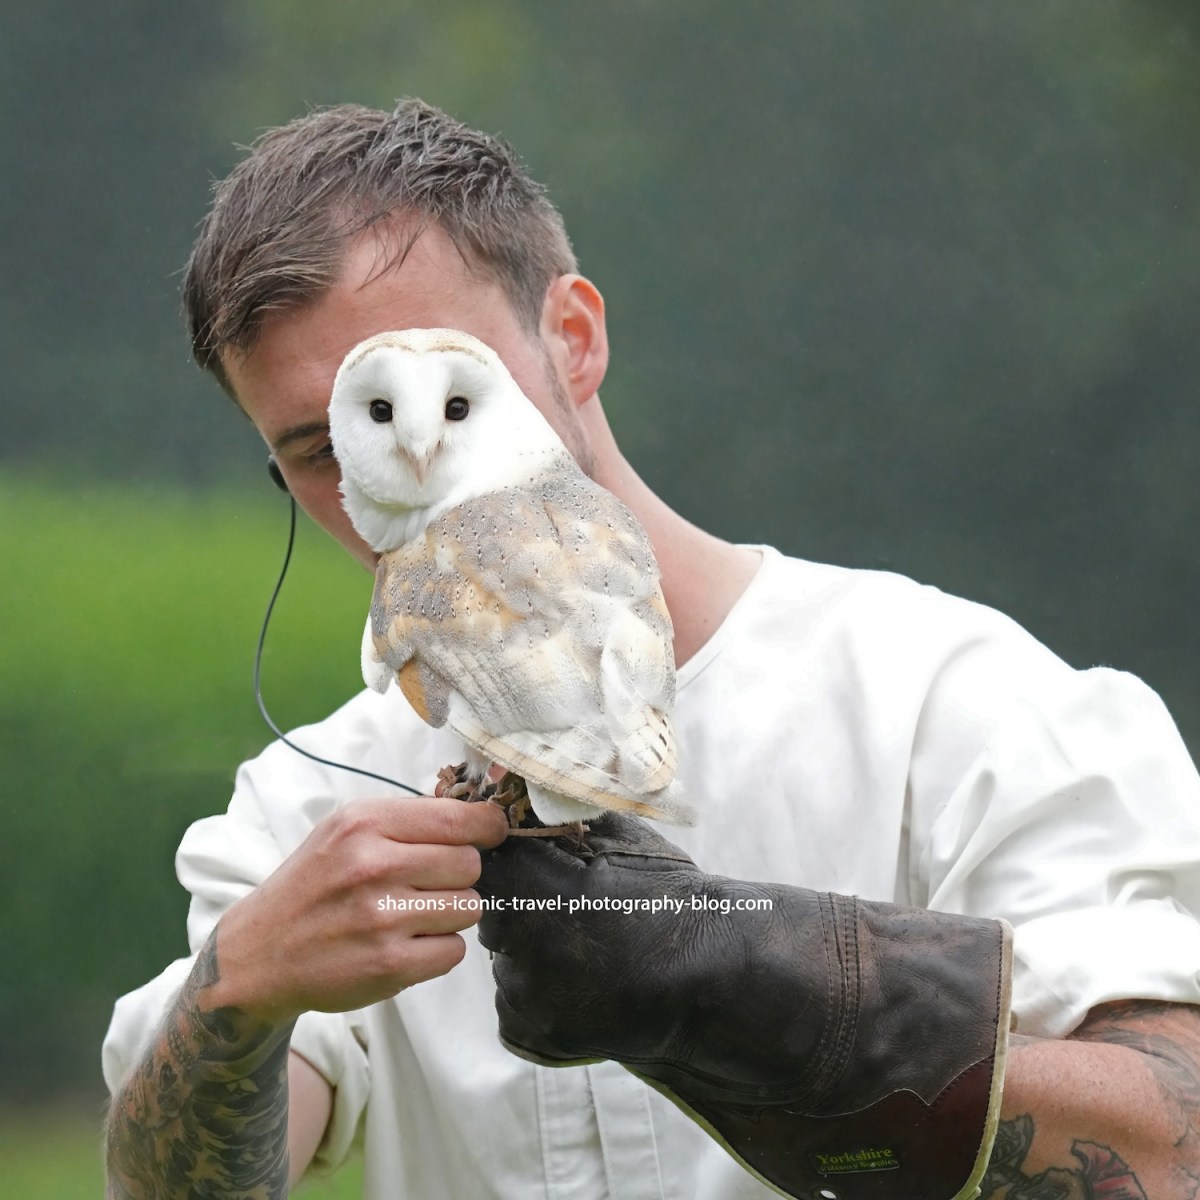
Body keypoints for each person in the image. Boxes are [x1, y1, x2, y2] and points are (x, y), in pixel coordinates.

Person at [102, 98, 1200, 1199]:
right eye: (327, 442)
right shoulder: (318, 812)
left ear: (571, 339)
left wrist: (770, 988)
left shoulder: (951, 706)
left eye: (448, 385)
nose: (411, 453)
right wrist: (235, 996)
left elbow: (1173, 1147)